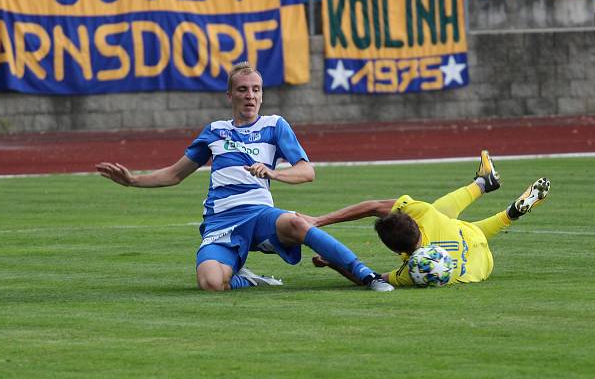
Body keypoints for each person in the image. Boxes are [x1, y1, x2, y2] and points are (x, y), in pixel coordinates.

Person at [96, 62, 394, 292]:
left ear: (262, 94)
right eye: (243, 89)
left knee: (296, 222)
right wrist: (132, 180)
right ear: (230, 96)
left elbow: (307, 171)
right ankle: (246, 279)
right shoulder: (214, 130)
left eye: (256, 89)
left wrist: (273, 173)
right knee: (211, 283)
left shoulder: (275, 125)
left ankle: (366, 275)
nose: (250, 95)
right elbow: (175, 174)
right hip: (221, 221)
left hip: (259, 213)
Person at [303, 151, 550, 287]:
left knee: (463, 225)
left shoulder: (413, 271)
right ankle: (489, 192)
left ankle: (495, 197)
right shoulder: (424, 214)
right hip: (468, 239)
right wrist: (319, 220)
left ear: (394, 249)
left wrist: (332, 262)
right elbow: (374, 206)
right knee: (447, 217)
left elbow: (372, 278)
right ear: (412, 221)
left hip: (480, 268)